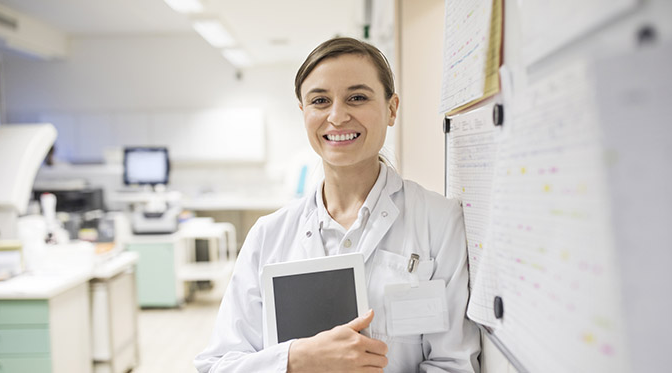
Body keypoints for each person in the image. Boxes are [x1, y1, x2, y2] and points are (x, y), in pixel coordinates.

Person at [195, 37, 481, 373]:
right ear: (304, 113)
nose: (337, 116)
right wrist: (295, 360)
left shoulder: (438, 222)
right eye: (320, 100)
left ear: (391, 109)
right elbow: (217, 365)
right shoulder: (268, 236)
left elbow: (453, 363)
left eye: (357, 98)